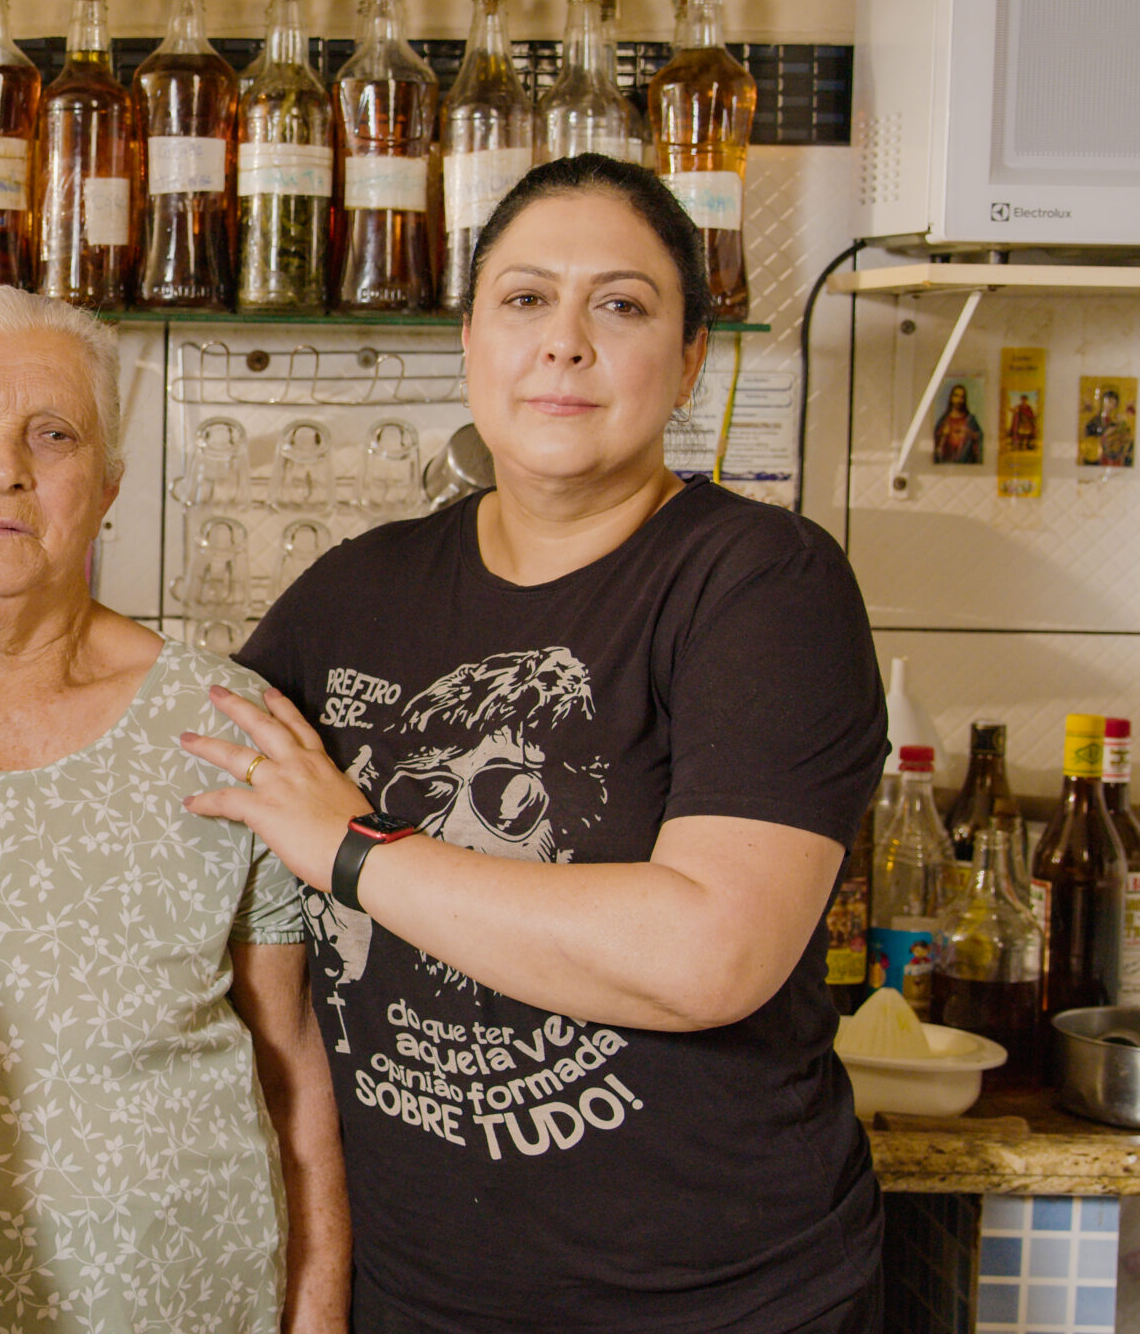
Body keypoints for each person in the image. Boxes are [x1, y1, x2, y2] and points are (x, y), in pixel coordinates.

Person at [195, 153, 888, 1332]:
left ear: (689, 363)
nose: (564, 341)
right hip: (415, 1298)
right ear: (468, 343)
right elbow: (165, 794)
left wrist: (353, 849)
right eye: (524, 300)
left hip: (717, 1306)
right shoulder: (357, 592)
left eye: (620, 304)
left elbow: (707, 954)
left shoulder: (759, 582)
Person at [0, 285, 350, 1333]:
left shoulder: (227, 719)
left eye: (54, 434)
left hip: (184, 1299)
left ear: (110, 485)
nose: (5, 466)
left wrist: (314, 1316)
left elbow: (290, 1064)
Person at [931, 382, 982, 465]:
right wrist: (943, 435)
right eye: (956, 396)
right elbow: (936, 442)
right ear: (951, 398)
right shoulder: (944, 420)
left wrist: (971, 434)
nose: (959, 400)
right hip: (946, 463)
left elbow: (980, 438)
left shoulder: (970, 420)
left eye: (962, 397)